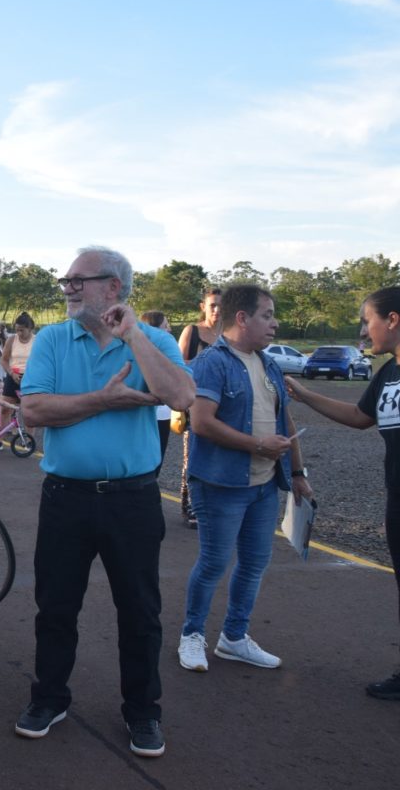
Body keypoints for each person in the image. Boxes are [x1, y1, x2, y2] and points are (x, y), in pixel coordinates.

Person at [12, 246, 193, 759]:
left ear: (113, 287)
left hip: (132, 500)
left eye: (78, 281)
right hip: (65, 497)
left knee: (140, 611)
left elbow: (180, 397)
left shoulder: (152, 340)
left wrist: (133, 336)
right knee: (55, 606)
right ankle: (49, 698)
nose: (67, 288)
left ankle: (142, 711)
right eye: (65, 281)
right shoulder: (51, 338)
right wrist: (103, 401)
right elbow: (33, 411)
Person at [177, 285, 312, 674]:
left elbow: (286, 420)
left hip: (264, 485)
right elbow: (201, 423)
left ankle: (233, 638)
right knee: (214, 561)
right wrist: (258, 445)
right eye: (267, 315)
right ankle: (192, 634)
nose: (275, 323)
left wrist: (298, 473)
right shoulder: (212, 362)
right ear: (241, 318)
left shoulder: (269, 364)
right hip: (220, 484)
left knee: (254, 562)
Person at [284, 286, 400, 701]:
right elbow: (358, 417)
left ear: (393, 320)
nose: (365, 333)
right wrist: (305, 394)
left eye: (368, 321)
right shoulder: (388, 373)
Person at [176, 288, 222, 527]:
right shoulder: (192, 332)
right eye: (212, 305)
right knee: (193, 456)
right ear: (202, 306)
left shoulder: (229, 334)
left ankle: (215, 507)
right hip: (195, 404)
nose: (217, 310)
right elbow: (175, 364)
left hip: (223, 406)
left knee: (220, 456)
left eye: (221, 305)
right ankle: (192, 507)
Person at [139, 311, 174, 469]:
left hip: (164, 414)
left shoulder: (167, 349)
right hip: (151, 414)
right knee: (149, 462)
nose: (169, 330)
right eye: (165, 326)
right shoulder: (142, 354)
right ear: (153, 329)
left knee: (158, 462)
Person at [0, 312, 36, 434]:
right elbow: (4, 360)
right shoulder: (11, 340)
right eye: (17, 330)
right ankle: (0, 438)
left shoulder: (38, 341)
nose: (19, 333)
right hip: (13, 376)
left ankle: (29, 440)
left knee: (29, 411)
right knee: (5, 409)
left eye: (22, 330)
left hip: (30, 378)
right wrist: (11, 373)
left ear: (29, 328)